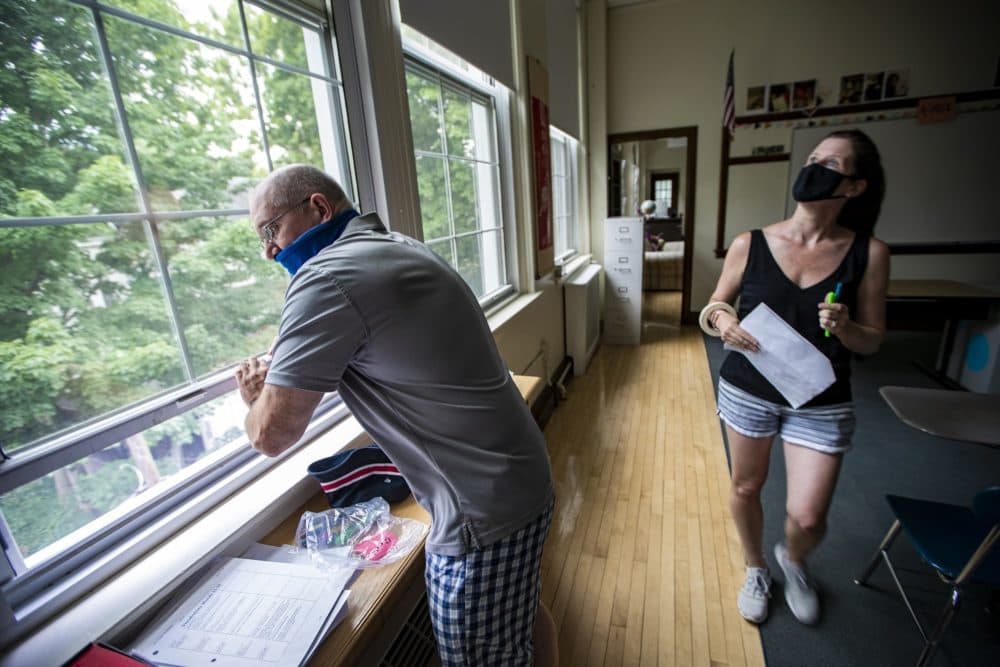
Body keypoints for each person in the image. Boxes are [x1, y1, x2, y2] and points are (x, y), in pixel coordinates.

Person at [235, 164, 557, 665]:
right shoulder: (398, 246)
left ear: (318, 208)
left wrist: (256, 398)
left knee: (484, 653)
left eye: (270, 230)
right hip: (519, 475)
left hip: (480, 509)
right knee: (523, 622)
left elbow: (271, 434)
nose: (269, 251)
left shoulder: (325, 277)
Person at [700, 130, 889, 625]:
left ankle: (793, 558)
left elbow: (873, 341)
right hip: (749, 389)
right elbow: (714, 306)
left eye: (831, 163)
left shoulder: (869, 253)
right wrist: (725, 322)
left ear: (854, 187)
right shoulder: (751, 242)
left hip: (821, 399)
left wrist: (848, 328)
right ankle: (756, 567)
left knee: (808, 517)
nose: (815, 167)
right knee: (746, 487)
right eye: (812, 159)